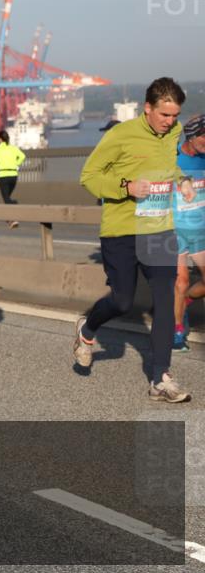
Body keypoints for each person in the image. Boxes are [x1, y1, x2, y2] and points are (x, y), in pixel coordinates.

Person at [74, 77, 189, 402]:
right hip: (122, 230)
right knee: (123, 302)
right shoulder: (120, 135)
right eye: (164, 115)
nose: (170, 122)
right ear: (147, 108)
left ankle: (160, 378)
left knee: (165, 299)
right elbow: (89, 177)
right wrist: (126, 187)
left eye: (175, 116)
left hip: (159, 229)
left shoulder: (175, 132)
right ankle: (87, 329)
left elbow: (168, 167)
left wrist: (183, 180)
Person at [172, 113, 205, 353]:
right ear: (191, 136)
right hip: (174, 229)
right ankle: (177, 330)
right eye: (204, 136)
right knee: (181, 280)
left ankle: (183, 301)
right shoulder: (172, 157)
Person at [0, 129, 26, 228]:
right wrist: (16, 163)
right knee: (8, 198)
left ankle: (13, 218)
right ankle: (9, 216)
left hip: (3, 176)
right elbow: (23, 156)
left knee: (6, 198)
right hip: (13, 175)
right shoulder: (13, 148)